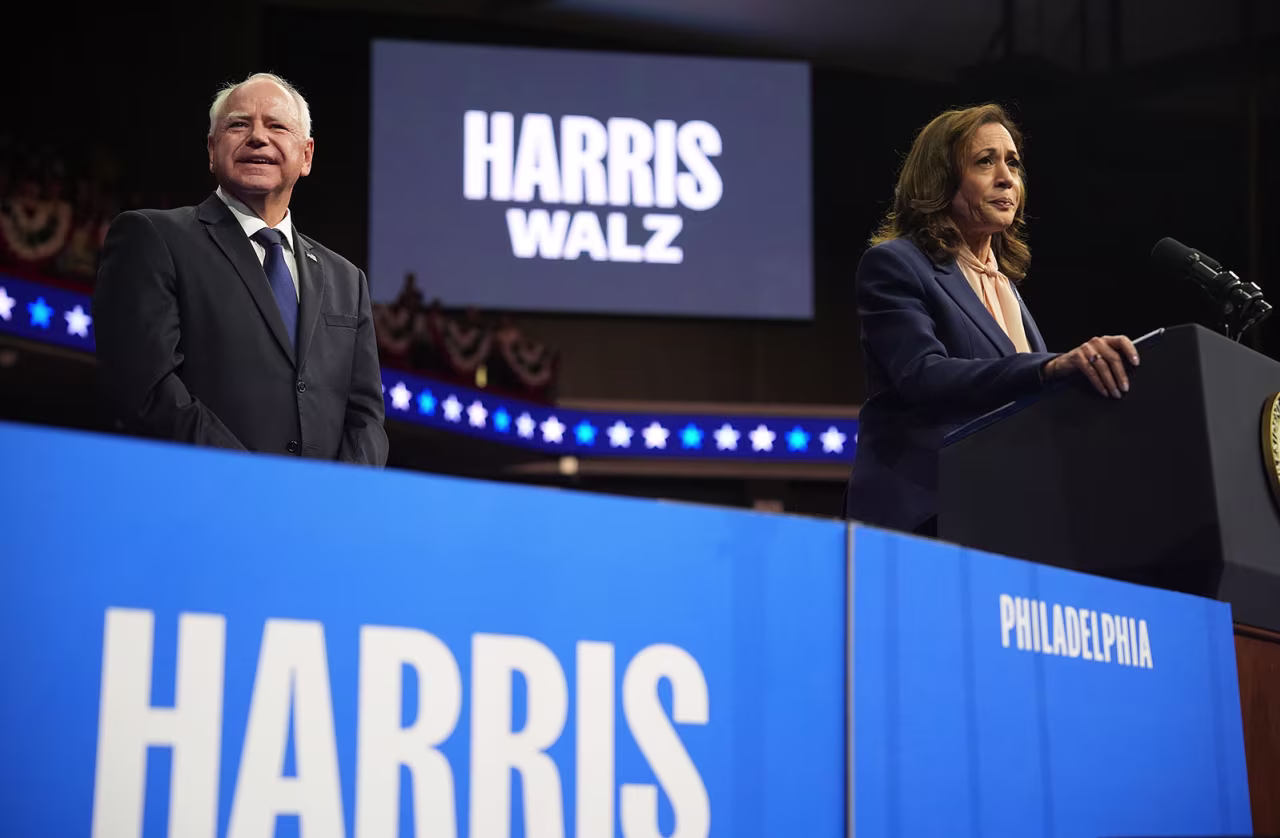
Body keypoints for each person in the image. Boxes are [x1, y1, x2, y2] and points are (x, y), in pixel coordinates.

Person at [844, 103, 1137, 535]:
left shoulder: (1005, 288)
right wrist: (1050, 367)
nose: (1007, 178)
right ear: (940, 180)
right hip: (923, 515)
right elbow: (923, 375)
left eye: (1013, 163)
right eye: (986, 162)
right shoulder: (895, 264)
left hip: (1000, 514)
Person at [93, 72, 388, 465]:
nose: (258, 137)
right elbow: (147, 387)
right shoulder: (153, 237)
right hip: (198, 502)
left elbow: (365, 415)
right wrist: (251, 483)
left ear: (306, 156)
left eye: (277, 126)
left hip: (317, 516)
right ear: (212, 150)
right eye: (239, 124)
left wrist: (335, 497)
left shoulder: (347, 279)